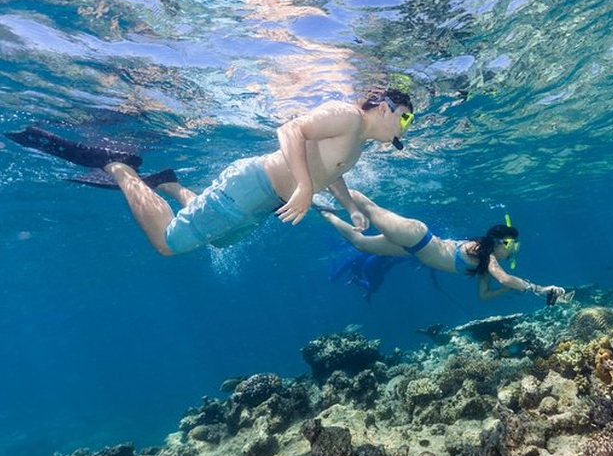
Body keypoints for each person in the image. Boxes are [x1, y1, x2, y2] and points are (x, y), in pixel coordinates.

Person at [4, 90, 415, 255]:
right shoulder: (345, 114)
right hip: (252, 186)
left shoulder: (358, 139)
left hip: (262, 201)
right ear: (385, 107)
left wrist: (348, 206)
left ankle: (166, 183)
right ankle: (117, 166)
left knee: (217, 244)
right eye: (406, 119)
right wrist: (305, 188)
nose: (403, 128)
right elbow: (290, 129)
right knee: (170, 243)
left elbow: (332, 169)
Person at [319, 190, 567, 302]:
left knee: (360, 244)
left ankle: (324, 211)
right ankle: (329, 185)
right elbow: (504, 278)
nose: (512, 253)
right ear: (501, 242)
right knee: (370, 210)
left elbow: (484, 296)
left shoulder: (484, 264)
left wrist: (512, 289)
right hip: (417, 236)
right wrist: (539, 289)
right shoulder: (487, 255)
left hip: (412, 248)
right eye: (512, 247)